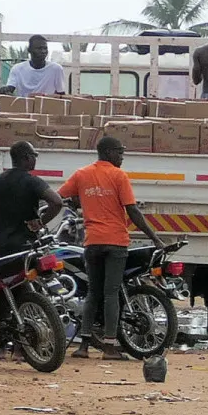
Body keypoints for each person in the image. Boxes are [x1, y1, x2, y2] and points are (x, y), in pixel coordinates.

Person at [61, 136, 162, 359]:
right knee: (110, 294)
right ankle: (109, 346)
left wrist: (77, 202)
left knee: (92, 293)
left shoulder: (81, 174)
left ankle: (84, 346)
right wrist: (155, 239)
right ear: (107, 152)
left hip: (92, 243)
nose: (122, 156)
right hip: (115, 243)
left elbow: (59, 197)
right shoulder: (118, 176)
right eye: (119, 152)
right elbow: (133, 212)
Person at [0, 140, 64, 256]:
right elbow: (57, 202)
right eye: (34, 156)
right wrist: (41, 222)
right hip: (27, 248)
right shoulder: (32, 181)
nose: (35, 159)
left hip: (2, 248)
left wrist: (2, 231)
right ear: (27, 157)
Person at [0, 34, 67, 98]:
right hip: (24, 107)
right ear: (29, 50)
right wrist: (4, 90)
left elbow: (61, 94)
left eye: (45, 48)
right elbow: (10, 88)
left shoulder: (56, 69)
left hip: (47, 107)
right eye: (39, 48)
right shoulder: (17, 69)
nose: (43, 51)